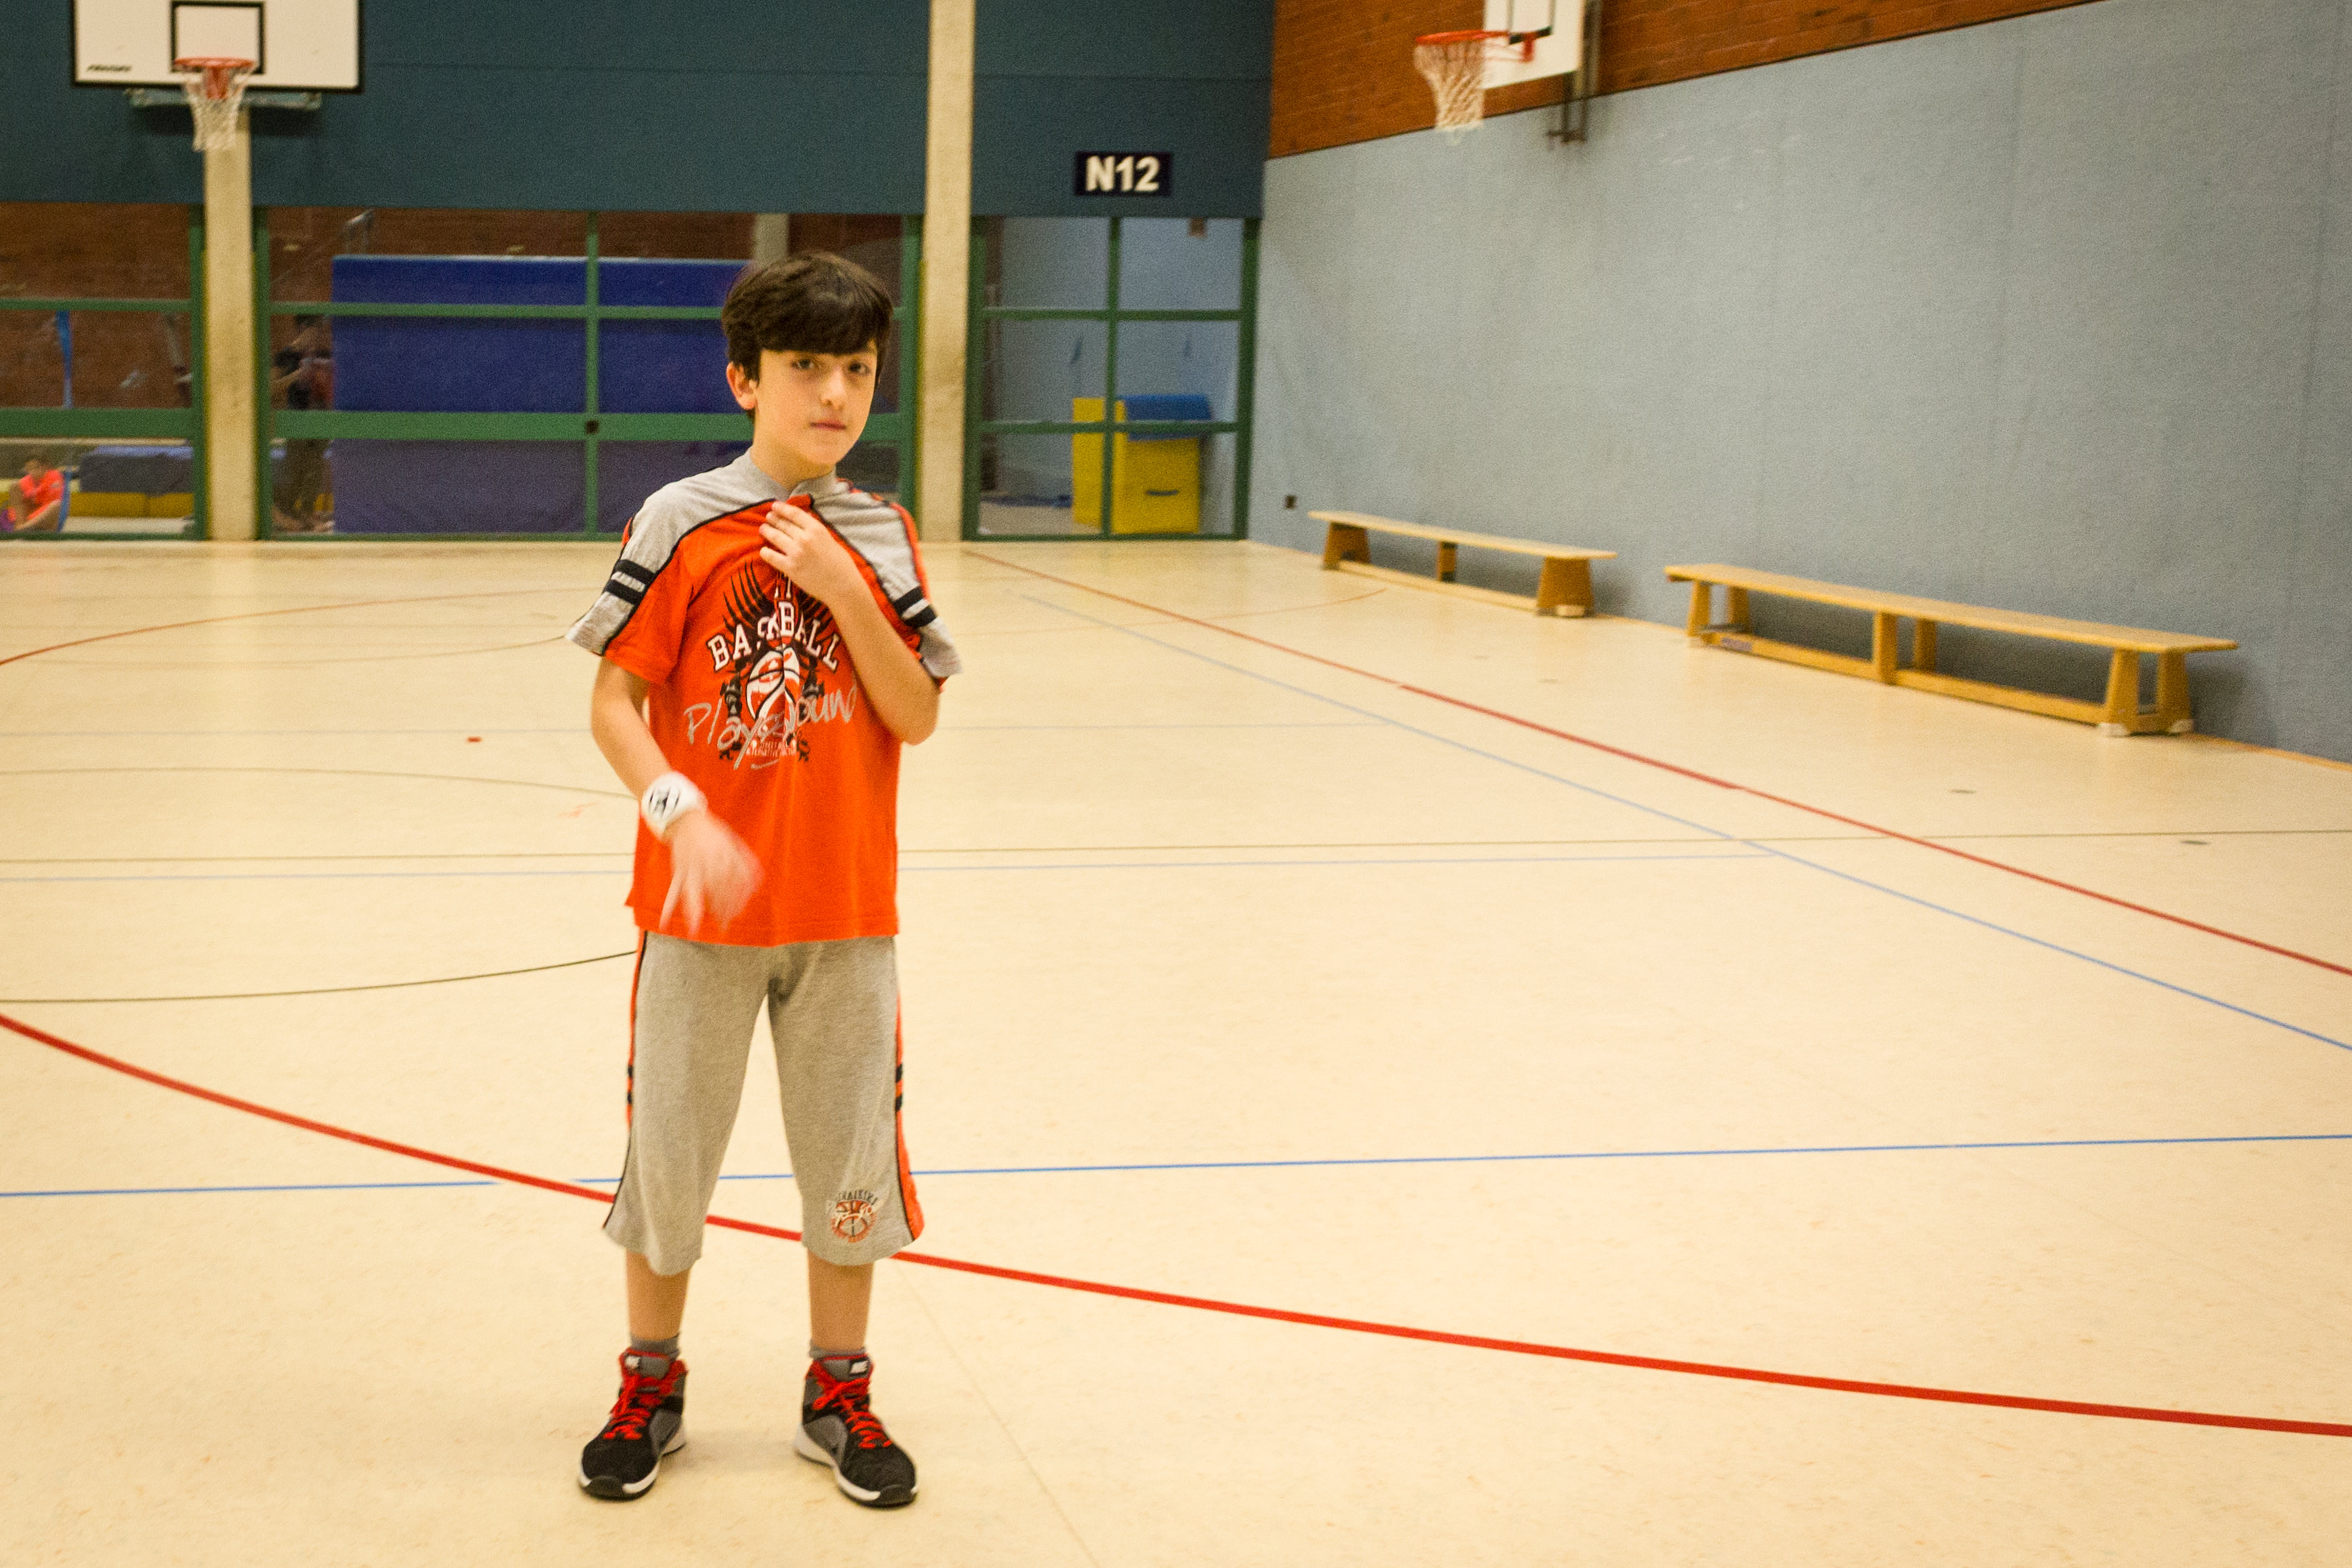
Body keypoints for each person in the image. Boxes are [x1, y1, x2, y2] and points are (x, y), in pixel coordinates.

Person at [563, 252, 959, 1509]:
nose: (834, 393)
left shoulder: (880, 533)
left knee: (848, 1166)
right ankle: (652, 1382)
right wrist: (676, 811)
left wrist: (844, 589)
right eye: (804, 367)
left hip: (846, 914)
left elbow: (916, 713)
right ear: (744, 379)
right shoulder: (678, 519)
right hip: (699, 919)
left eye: (857, 369)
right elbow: (614, 703)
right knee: (670, 1157)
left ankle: (837, 1391)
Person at [269, 315, 333, 533]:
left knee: (314, 467)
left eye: (319, 331)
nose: (317, 336)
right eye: (314, 330)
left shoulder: (321, 356)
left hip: (319, 416)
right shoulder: (285, 357)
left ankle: (307, 512)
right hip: (296, 418)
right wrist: (297, 376)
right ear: (303, 329)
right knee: (295, 469)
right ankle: (287, 512)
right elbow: (271, 389)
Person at [6, 454, 64, 532]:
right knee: (14, 486)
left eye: (35, 468)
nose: (32, 472)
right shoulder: (26, 481)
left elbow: (50, 501)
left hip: (47, 518)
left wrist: (32, 497)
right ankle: (20, 526)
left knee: (56, 505)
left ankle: (22, 528)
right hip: (28, 517)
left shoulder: (54, 476)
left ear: (44, 467)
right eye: (29, 469)